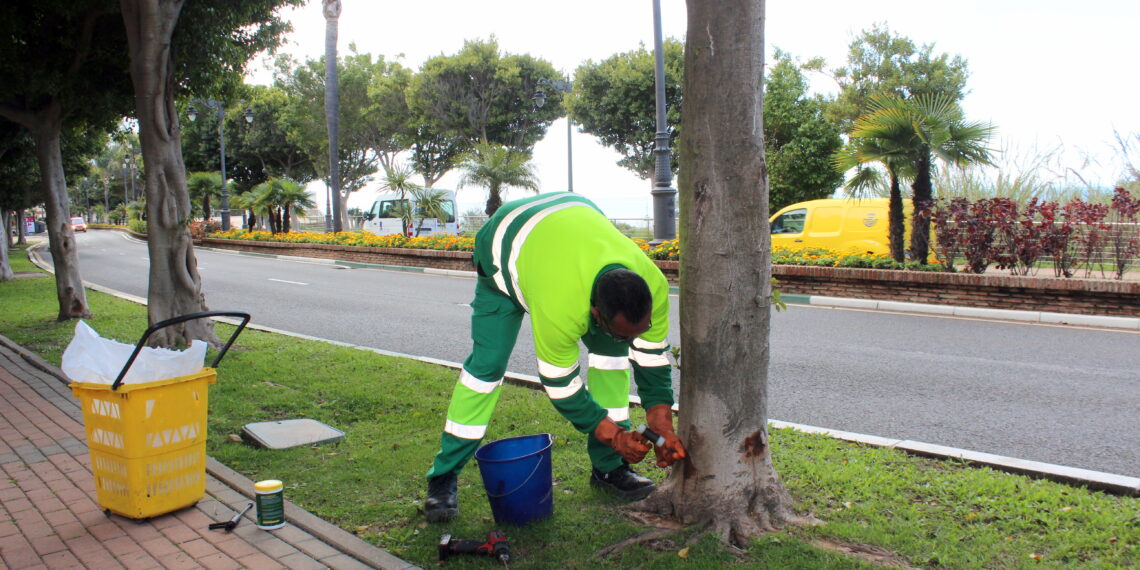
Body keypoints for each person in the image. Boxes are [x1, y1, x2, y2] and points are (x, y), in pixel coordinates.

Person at [424, 192, 688, 522]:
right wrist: (615, 435)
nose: (632, 341)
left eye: (638, 331)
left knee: (612, 358)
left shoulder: (654, 286)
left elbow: (651, 359)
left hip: (570, 224)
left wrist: (662, 427)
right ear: (594, 313)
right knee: (486, 370)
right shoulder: (559, 305)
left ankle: (608, 469)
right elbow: (560, 384)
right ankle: (443, 477)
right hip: (503, 253)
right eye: (624, 334)